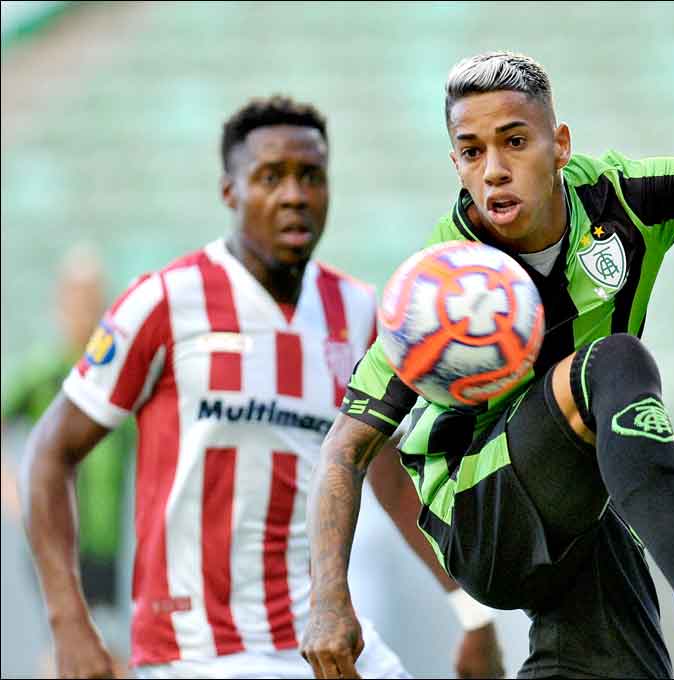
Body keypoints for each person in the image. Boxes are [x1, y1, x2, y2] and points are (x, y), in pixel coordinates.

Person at [302, 51, 674, 679]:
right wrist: (329, 600)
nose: (494, 170)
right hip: (482, 521)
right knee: (614, 361)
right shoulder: (443, 282)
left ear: (560, 144)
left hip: (584, 516)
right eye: (471, 151)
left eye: (514, 142)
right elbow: (344, 450)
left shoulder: (624, 200)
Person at [20, 96, 503, 679]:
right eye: (270, 177)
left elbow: (396, 486)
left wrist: (471, 614)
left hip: (324, 635)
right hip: (199, 651)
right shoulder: (166, 301)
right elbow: (49, 452)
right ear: (230, 191)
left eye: (311, 176)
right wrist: (69, 623)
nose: (294, 194)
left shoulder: (358, 314)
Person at [3, 245, 134, 675]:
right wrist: (14, 491)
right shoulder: (44, 370)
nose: (84, 308)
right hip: (55, 537)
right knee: (62, 646)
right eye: (77, 298)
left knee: (111, 649)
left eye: (93, 298)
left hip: (110, 536)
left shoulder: (117, 374)